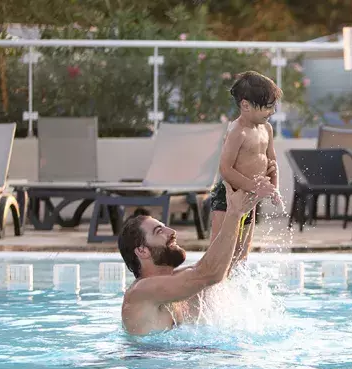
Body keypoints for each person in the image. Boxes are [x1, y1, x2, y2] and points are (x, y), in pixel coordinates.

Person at [119, 179, 276, 336]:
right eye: (159, 231)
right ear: (142, 251)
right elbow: (211, 273)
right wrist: (235, 213)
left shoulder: (181, 281)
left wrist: (247, 207)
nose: (172, 232)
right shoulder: (140, 292)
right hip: (146, 359)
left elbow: (230, 263)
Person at [209, 70, 284, 264]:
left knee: (241, 255)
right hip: (229, 196)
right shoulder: (238, 132)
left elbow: (272, 162)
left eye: (273, 107)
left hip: (250, 198)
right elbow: (225, 169)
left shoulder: (266, 128)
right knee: (219, 252)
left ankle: (230, 292)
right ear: (245, 105)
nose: (272, 112)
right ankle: (208, 292)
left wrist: (273, 188)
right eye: (267, 107)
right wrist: (254, 187)